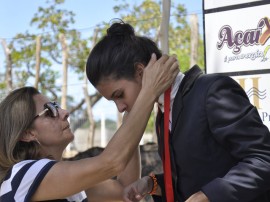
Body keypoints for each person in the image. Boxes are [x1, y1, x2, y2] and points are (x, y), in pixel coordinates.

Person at [86, 19, 270, 202]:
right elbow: (189, 179)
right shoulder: (163, 113)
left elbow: (263, 158)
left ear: (140, 72)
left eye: (119, 95)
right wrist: (151, 184)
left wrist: (207, 196)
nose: (120, 108)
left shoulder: (210, 91)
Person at [0, 54, 179, 201]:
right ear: (27, 133)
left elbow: (124, 190)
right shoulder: (23, 174)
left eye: (57, 105)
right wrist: (149, 91)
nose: (64, 112)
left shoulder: (63, 181)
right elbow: (111, 163)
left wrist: (132, 108)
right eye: (50, 111)